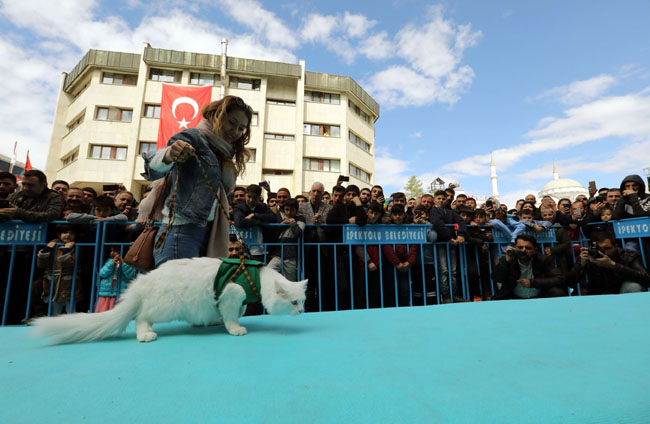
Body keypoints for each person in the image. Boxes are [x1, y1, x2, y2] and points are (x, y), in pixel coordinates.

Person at [142, 95, 253, 267]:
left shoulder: (224, 153)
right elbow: (153, 165)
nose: (235, 131)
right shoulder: (194, 136)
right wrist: (170, 154)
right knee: (178, 293)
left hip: (209, 235)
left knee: (195, 294)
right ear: (217, 116)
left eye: (241, 128)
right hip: (181, 231)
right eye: (232, 122)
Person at [566, 231, 650, 295]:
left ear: (616, 247)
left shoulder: (627, 256)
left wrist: (613, 265)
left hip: (622, 292)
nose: (603, 252)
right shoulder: (589, 256)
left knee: (633, 286)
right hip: (598, 295)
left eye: (607, 248)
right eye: (600, 249)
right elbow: (569, 283)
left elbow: (647, 279)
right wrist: (580, 265)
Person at [491, 234, 565, 300]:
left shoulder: (544, 260)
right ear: (515, 248)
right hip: (513, 297)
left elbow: (558, 279)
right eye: (520, 247)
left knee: (557, 292)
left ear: (535, 250)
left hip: (539, 297)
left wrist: (533, 283)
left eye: (528, 248)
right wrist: (506, 262)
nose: (523, 250)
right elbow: (496, 278)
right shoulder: (508, 259)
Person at [429, 190, 467, 303]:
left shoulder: (451, 212)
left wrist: (461, 234)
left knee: (454, 271)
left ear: (446, 200)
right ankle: (445, 296)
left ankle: (454, 294)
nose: (441, 200)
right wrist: (449, 238)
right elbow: (437, 224)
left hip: (452, 243)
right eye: (439, 198)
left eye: (443, 199)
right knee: (444, 270)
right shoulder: (433, 211)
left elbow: (461, 221)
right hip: (442, 243)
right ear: (435, 199)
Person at [36, 225, 83, 316]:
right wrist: (47, 249)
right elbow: (41, 265)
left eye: (71, 233)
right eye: (65, 232)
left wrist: (66, 250)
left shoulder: (77, 247)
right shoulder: (54, 246)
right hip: (53, 286)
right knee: (54, 313)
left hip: (70, 287)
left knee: (71, 313)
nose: (68, 235)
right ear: (58, 234)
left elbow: (70, 264)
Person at [381, 204, 416, 307]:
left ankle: (404, 310)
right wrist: (396, 263)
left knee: (404, 289)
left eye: (400, 214)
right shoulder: (386, 227)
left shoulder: (410, 226)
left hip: (405, 263)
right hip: (391, 263)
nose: (398, 217)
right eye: (395, 214)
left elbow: (414, 245)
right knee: (389, 289)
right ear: (391, 215)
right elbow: (386, 246)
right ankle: (390, 310)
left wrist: (410, 261)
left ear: (404, 215)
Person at [233, 184, 276, 261]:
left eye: (254, 197)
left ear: (259, 197)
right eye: (249, 196)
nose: (251, 200)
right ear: (246, 195)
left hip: (260, 250)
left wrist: (254, 215)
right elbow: (239, 222)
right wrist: (260, 222)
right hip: (242, 249)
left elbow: (272, 217)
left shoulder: (263, 207)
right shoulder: (239, 207)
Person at [268, 198, 304, 281]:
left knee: (290, 282)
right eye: (287, 210)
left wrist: (292, 223)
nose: (289, 212)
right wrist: (281, 225)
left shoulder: (300, 219)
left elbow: (298, 232)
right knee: (268, 272)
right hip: (278, 255)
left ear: (296, 210)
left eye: (292, 210)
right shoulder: (282, 220)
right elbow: (274, 234)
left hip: (291, 256)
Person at [95, 247, 137, 313]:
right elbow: (102, 273)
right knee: (104, 313)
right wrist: (111, 264)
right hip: (108, 292)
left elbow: (131, 275)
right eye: (111, 251)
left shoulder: (127, 262)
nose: (112, 253)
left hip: (121, 292)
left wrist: (123, 264)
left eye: (115, 251)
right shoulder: (109, 261)